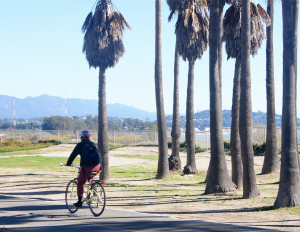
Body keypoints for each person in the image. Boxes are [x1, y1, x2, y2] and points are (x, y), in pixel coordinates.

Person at [66, 130, 102, 208]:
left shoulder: (80, 145)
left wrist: (68, 163)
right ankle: (94, 188)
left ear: (81, 137)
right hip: (98, 166)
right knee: (91, 176)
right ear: (89, 137)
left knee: (81, 182)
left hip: (87, 168)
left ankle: (79, 202)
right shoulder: (93, 144)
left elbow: (73, 155)